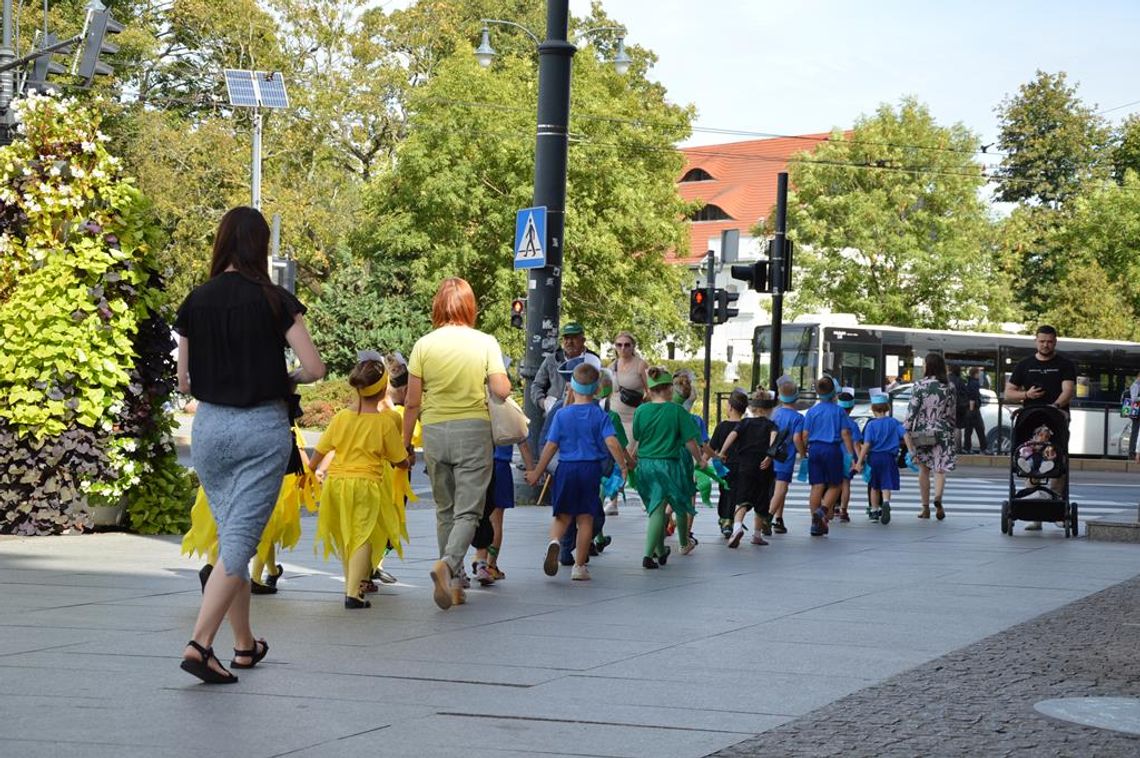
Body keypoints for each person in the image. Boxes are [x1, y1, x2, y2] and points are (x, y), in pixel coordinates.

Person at [174, 206, 325, 684]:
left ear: (221, 243)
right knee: (239, 544)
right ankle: (200, 644)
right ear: (260, 246)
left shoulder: (195, 301)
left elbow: (183, 380)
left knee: (231, 540)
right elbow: (315, 368)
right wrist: (285, 377)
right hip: (260, 428)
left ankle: (243, 645)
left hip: (211, 429)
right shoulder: (276, 299)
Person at [404, 277, 510, 610]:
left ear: (438, 305)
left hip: (435, 430)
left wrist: (404, 444)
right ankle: (448, 565)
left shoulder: (424, 345)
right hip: (473, 432)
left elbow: (411, 402)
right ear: (469, 306)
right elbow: (502, 390)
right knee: (469, 511)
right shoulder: (485, 342)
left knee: (445, 510)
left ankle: (454, 585)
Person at [309, 357, 408, 609]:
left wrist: (311, 471)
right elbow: (401, 460)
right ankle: (353, 594)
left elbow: (319, 452)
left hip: (336, 484)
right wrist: (407, 461)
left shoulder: (342, 417)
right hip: (365, 484)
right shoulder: (385, 422)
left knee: (346, 535)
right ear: (384, 387)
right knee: (362, 534)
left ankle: (351, 587)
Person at [526, 362, 627, 581]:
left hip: (566, 469)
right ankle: (579, 567)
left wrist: (536, 472)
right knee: (585, 520)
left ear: (571, 386)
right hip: (590, 470)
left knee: (562, 516)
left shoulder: (562, 415)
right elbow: (612, 442)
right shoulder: (600, 416)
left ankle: (554, 542)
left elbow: (551, 446)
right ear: (596, 389)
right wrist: (624, 466)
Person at [629, 367, 705, 568]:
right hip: (667, 465)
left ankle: (661, 550)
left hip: (644, 466)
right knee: (659, 510)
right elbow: (690, 442)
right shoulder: (677, 411)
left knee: (654, 507)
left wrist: (630, 460)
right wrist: (701, 460)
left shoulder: (641, 411)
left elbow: (637, 439)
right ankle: (647, 555)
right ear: (670, 389)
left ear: (651, 390)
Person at [1004, 325, 1076, 531]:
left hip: (1057, 419)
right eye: (1042, 341)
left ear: (1055, 342)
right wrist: (1026, 395)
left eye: (1050, 341)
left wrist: (1055, 407)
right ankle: (1033, 512)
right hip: (1030, 420)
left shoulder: (1065, 364)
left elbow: (1068, 390)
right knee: (1029, 461)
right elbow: (1009, 392)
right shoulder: (1025, 365)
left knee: (1057, 461)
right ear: (1036, 341)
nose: (1046, 345)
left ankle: (1057, 510)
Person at [715, 389, 778, 548]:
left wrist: (722, 452)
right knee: (762, 500)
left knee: (742, 499)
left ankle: (737, 528)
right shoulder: (771, 425)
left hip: (745, 465)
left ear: (751, 408)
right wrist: (769, 456)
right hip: (763, 466)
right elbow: (774, 440)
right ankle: (757, 535)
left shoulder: (744, 423)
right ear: (769, 409)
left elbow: (732, 436)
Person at [471, 436, 535, 585]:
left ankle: (479, 560)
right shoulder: (509, 412)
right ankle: (490, 565)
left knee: (478, 516)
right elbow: (523, 442)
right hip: (500, 466)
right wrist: (531, 470)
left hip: (478, 465)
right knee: (496, 520)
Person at [905, 353, 957, 521]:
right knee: (939, 468)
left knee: (924, 469)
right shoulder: (949, 387)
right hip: (942, 429)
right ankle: (938, 498)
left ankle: (925, 508)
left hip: (922, 430)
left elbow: (912, 411)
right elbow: (951, 413)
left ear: (928, 366)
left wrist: (907, 429)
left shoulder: (919, 385)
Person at [803, 376, 853, 536]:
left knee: (816, 485)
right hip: (832, 449)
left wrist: (804, 449)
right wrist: (851, 454)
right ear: (833, 392)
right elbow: (845, 433)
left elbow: (804, 434)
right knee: (835, 484)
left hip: (815, 449)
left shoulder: (812, 411)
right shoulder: (838, 410)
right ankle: (823, 510)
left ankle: (815, 523)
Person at [531, 322, 595, 446]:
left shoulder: (592, 360)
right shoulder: (552, 359)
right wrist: (543, 403)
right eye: (566, 338)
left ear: (583, 340)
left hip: (583, 418)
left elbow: (601, 388)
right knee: (546, 449)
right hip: (555, 416)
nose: (569, 342)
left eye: (574, 338)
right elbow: (536, 385)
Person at [853, 394, 911, 525]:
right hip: (890, 457)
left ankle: (874, 511)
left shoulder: (871, 425)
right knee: (886, 484)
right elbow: (906, 435)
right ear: (887, 408)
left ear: (873, 409)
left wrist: (859, 462)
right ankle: (886, 502)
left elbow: (866, 445)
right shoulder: (894, 422)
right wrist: (911, 451)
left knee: (874, 486)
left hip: (874, 458)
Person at [607, 331, 650, 474]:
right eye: (619, 345)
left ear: (633, 347)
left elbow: (651, 391)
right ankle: (613, 495)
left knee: (628, 460)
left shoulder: (641, 365)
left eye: (627, 345)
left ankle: (628, 486)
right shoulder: (611, 366)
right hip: (614, 416)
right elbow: (605, 392)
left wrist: (645, 404)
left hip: (632, 419)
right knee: (613, 457)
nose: (623, 348)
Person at [707, 389, 747, 538]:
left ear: (730, 407)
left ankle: (726, 521)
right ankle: (734, 520)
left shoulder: (722, 426)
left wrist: (702, 462)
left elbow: (711, 447)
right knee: (738, 494)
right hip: (743, 466)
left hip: (725, 466)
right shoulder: (746, 425)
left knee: (726, 493)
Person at [768, 380, 806, 535]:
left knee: (777, 488)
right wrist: (803, 453)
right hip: (786, 457)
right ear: (796, 396)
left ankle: (779, 518)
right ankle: (768, 517)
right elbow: (797, 438)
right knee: (782, 488)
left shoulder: (774, 414)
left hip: (772, 456)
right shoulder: (798, 418)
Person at [836, 388, 862, 522]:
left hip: (834, 455)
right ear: (851, 408)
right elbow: (857, 444)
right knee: (846, 484)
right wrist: (859, 461)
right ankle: (843, 511)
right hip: (848, 457)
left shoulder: (834, 421)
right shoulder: (853, 424)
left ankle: (829, 507)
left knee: (831, 483)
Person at [963, 367, 988, 454]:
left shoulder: (969, 382)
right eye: (979, 373)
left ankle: (967, 448)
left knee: (968, 430)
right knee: (980, 428)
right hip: (974, 410)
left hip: (970, 409)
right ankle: (983, 448)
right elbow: (973, 397)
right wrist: (972, 409)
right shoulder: (975, 383)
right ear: (975, 374)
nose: (980, 374)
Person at [949, 367, 970, 453]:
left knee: (950, 426)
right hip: (960, 407)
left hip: (950, 406)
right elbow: (966, 393)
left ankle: (950, 447)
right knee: (958, 427)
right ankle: (958, 448)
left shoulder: (947, 380)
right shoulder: (960, 381)